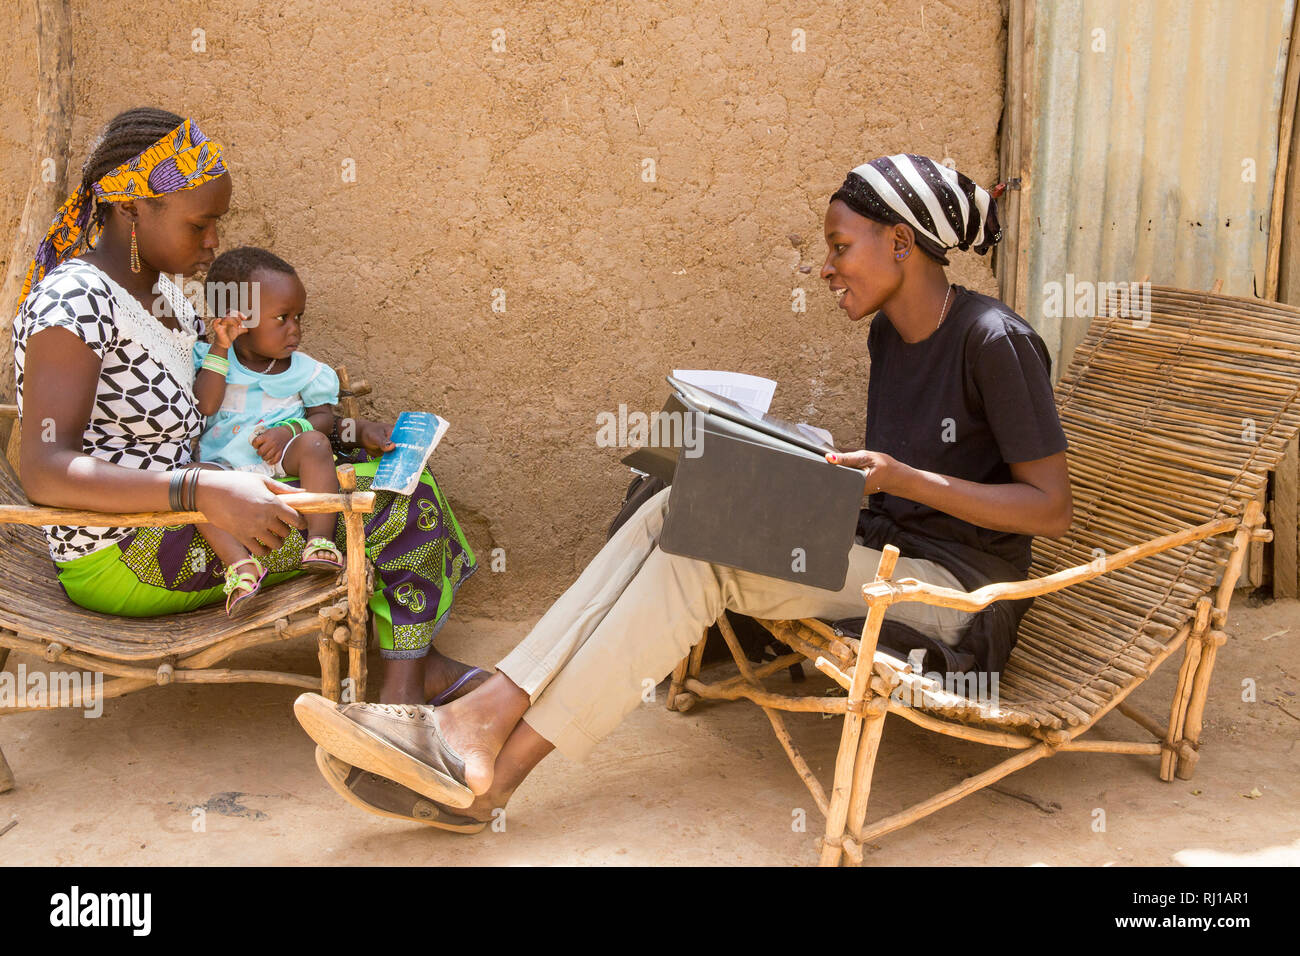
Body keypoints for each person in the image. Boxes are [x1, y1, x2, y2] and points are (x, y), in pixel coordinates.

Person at [293, 154, 1073, 833]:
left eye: (840, 248)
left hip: (955, 597)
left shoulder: (994, 342)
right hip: (881, 552)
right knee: (679, 500)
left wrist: (902, 476)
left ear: (901, 242)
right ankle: (484, 729)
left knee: (700, 560)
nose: (825, 268)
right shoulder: (888, 333)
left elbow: (1050, 507)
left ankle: (487, 759)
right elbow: (892, 488)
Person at [13, 106, 485, 705]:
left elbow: (230, 408)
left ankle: (411, 672)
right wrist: (200, 491)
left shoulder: (163, 300)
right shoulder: (74, 302)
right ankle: (406, 689)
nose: (214, 241)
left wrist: (337, 431)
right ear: (132, 207)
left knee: (402, 481)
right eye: (200, 223)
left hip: (193, 514)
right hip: (128, 548)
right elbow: (44, 468)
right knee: (403, 506)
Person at [191, 247, 348, 615]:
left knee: (314, 443)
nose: (295, 329)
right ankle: (241, 566)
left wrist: (289, 430)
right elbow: (206, 406)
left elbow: (324, 418)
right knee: (196, 480)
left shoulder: (304, 370)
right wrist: (220, 346)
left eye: (298, 317)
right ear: (238, 320)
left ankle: (321, 540)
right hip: (225, 471)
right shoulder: (211, 359)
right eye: (282, 318)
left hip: (281, 459)